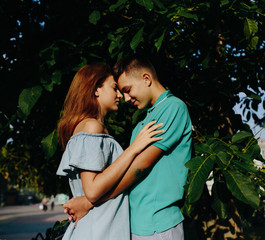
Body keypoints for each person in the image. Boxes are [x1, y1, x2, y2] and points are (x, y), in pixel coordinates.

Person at [64, 54, 193, 240]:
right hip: (134, 224)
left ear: (146, 78)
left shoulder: (173, 107)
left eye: (127, 89)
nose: (125, 98)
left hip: (158, 223)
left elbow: (140, 166)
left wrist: (89, 201)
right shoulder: (143, 120)